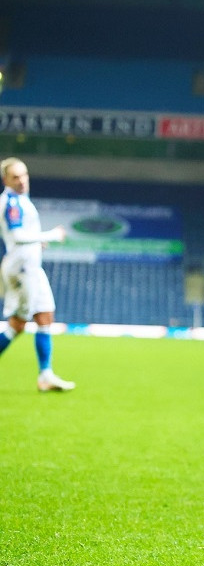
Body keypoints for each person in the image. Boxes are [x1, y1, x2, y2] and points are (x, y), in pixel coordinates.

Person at [0, 157, 76, 392]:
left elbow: (24, 237)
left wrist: (37, 244)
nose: (22, 180)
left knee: (45, 317)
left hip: (32, 267)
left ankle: (46, 375)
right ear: (6, 180)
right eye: (16, 177)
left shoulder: (21, 200)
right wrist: (49, 235)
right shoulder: (12, 202)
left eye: (24, 175)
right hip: (22, 270)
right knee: (17, 325)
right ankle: (45, 375)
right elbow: (18, 236)